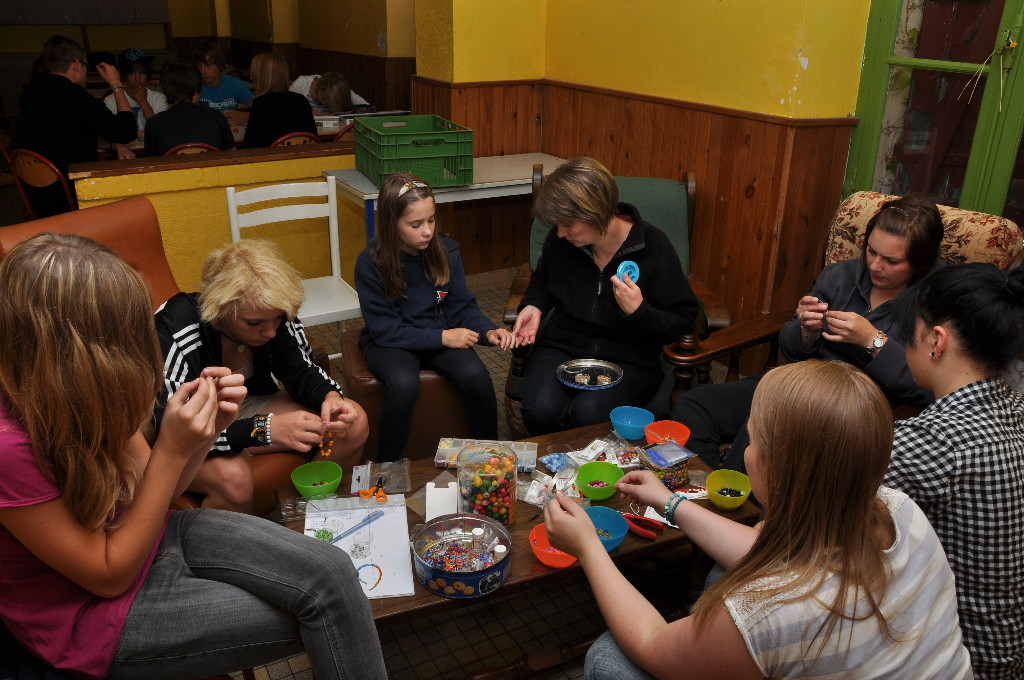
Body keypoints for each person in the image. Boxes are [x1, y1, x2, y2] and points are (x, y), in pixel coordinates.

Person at [0, 233, 386, 680]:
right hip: (94, 618)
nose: (146, 360)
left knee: (335, 573)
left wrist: (207, 432)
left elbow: (155, 493)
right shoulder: (10, 447)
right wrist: (173, 446)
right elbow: (109, 576)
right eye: (129, 338)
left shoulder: (94, 390)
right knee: (328, 610)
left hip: (148, 535)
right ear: (75, 348)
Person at [545, 360, 971, 680]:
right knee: (721, 576)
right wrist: (670, 503)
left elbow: (650, 643)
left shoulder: (768, 612)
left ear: (777, 470)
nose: (745, 451)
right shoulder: (899, 508)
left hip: (772, 626)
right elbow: (770, 557)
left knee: (608, 657)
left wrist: (588, 547)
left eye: (752, 439)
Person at [672, 195, 943, 471]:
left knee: (763, 424)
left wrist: (873, 341)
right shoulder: (840, 277)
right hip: (800, 385)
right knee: (695, 406)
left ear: (920, 262)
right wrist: (806, 330)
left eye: (892, 261)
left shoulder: (934, 305)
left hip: (852, 413)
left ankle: (733, 495)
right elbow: (791, 349)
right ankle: (706, 488)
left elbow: (933, 389)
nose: (874, 266)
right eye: (871, 251)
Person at [154, 239, 368, 512]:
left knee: (351, 422)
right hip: (184, 427)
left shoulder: (273, 313)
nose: (270, 332)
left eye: (277, 319)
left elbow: (300, 370)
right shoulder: (175, 327)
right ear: (222, 308)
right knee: (234, 477)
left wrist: (330, 397)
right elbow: (166, 425)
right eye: (253, 323)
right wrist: (262, 430)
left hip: (247, 405)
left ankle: (308, 518)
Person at [884, 263, 1024, 679]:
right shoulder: (1016, 409)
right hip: (1011, 651)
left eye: (907, 332)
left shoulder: (928, 442)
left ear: (936, 341)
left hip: (957, 661)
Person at [511, 156, 699, 435]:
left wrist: (640, 312)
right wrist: (534, 306)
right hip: (562, 345)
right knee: (539, 409)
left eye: (568, 224)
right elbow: (543, 279)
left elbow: (683, 320)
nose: (560, 233)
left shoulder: (653, 246)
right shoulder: (561, 241)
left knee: (588, 414)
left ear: (596, 212)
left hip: (631, 358)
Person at [354, 173, 518, 461]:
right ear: (392, 224)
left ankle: (491, 459)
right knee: (404, 384)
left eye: (431, 220)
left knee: (477, 377)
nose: (427, 231)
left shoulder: (446, 251)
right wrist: (442, 337)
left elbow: (462, 307)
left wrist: (488, 331)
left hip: (436, 332)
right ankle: (387, 467)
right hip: (391, 341)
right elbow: (385, 330)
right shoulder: (370, 263)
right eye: (415, 224)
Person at [12, 35, 136, 215]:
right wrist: (116, 84)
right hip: (71, 196)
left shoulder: (30, 95)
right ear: (77, 65)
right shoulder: (75, 98)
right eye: (86, 66)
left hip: (36, 195)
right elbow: (127, 131)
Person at [143, 62, 234, 156]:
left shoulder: (154, 123)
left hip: (174, 166)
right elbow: (231, 154)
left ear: (165, 89)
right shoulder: (217, 117)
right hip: (212, 165)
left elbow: (150, 161)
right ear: (197, 88)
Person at [242, 53, 317, 148]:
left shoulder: (260, 103)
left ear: (261, 77)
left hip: (274, 156)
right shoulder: (301, 100)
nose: (251, 77)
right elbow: (313, 137)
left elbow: (250, 144)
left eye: (253, 74)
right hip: (304, 155)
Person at [102, 48, 168, 135]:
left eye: (142, 73)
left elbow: (161, 132)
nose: (137, 79)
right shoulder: (111, 100)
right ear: (125, 75)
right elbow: (116, 134)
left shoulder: (159, 98)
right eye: (132, 73)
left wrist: (144, 103)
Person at [192, 41, 253, 125]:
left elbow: (260, 108)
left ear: (219, 64)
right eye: (199, 66)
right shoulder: (194, 85)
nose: (203, 71)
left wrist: (246, 116)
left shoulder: (233, 84)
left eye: (208, 65)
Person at [290, 71, 370, 114]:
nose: (324, 103)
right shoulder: (302, 83)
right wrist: (306, 114)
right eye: (323, 98)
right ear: (319, 86)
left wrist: (333, 114)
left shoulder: (337, 88)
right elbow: (286, 110)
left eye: (329, 102)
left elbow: (368, 108)